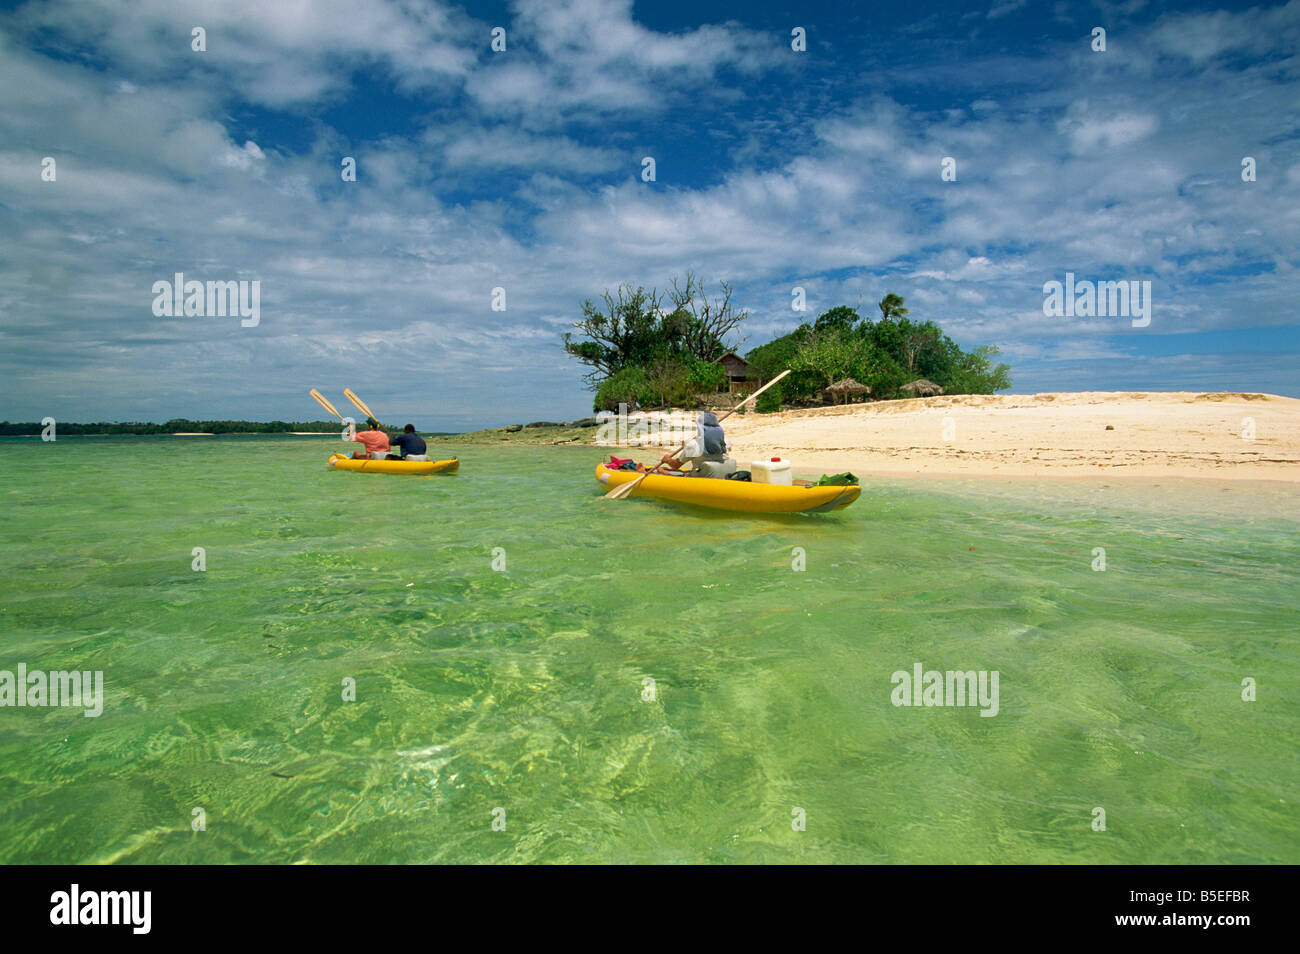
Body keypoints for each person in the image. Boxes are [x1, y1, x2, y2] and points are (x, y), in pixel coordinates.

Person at [660, 411, 733, 476]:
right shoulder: (726, 441)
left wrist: (667, 460)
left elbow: (675, 465)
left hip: (702, 478)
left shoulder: (693, 445)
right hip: (723, 476)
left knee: (660, 470)